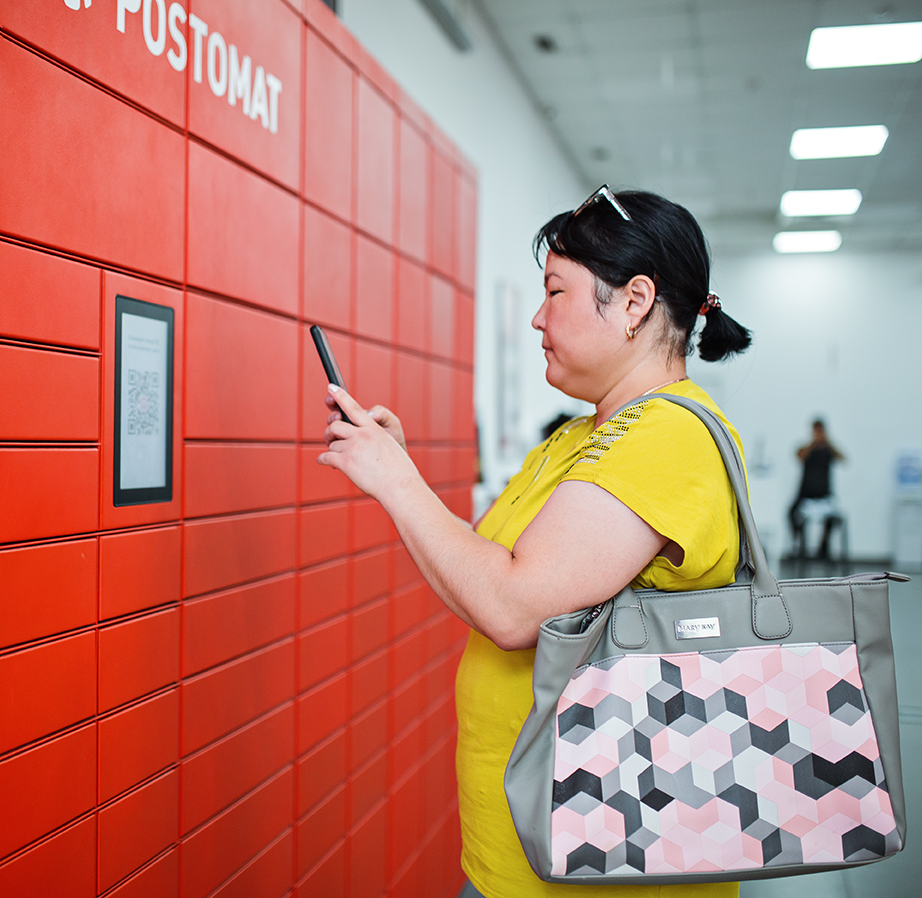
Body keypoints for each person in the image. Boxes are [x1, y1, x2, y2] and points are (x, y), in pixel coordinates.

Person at [319, 185, 752, 898]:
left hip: (603, 866)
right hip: (524, 854)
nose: (537, 317)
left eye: (556, 291)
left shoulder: (668, 438)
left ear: (635, 302)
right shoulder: (582, 436)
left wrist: (399, 484)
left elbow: (513, 609)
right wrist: (400, 474)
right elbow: (484, 572)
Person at [788, 419, 845, 559]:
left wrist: (828, 443)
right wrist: (813, 444)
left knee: (832, 519)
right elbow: (799, 456)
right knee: (791, 514)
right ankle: (799, 547)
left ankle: (824, 547)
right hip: (805, 496)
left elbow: (843, 458)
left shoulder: (829, 450)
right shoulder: (807, 449)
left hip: (824, 497)